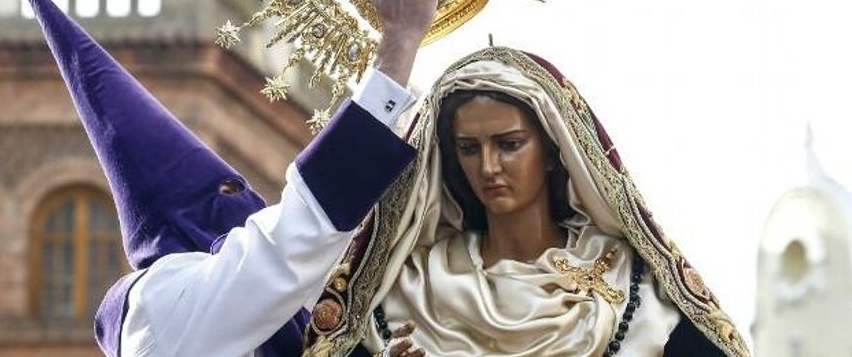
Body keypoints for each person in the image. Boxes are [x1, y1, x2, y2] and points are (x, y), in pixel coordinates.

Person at [16, 0, 456, 357]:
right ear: (179, 216)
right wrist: (398, 44)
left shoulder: (237, 318)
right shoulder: (160, 309)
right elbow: (289, 245)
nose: (251, 212)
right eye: (225, 193)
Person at [300, 57, 752, 354]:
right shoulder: (410, 289)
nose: (490, 167)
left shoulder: (632, 287)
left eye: (510, 144)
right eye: (469, 148)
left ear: (555, 150)